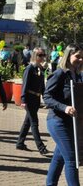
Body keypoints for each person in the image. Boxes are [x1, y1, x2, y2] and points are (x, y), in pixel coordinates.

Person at [44, 44, 83, 186]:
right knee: (72, 159)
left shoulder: (77, 75)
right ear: (68, 56)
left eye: (82, 57)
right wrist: (64, 107)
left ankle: (50, 183)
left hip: (71, 123)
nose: (80, 59)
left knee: (59, 157)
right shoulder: (60, 73)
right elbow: (47, 97)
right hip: (57, 121)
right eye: (77, 56)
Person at [16, 47, 49, 155]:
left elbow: (42, 85)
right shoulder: (30, 68)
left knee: (28, 122)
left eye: (43, 55)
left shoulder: (40, 69)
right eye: (40, 55)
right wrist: (23, 99)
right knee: (34, 122)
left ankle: (20, 143)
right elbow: (24, 85)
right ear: (35, 56)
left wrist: (45, 98)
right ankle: (41, 147)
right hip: (29, 98)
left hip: (36, 98)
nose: (42, 57)